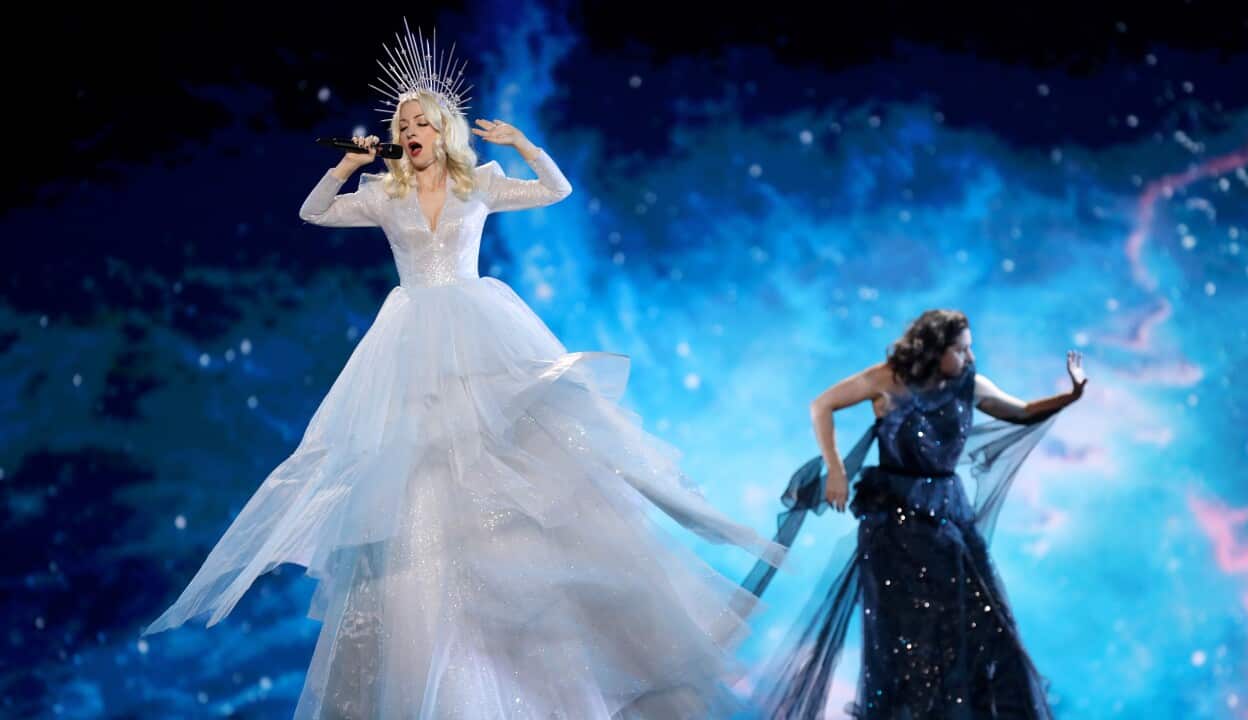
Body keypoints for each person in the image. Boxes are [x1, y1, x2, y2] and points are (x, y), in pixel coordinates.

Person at [142, 20, 783, 720]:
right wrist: (347, 166)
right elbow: (313, 212)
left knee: (517, 464)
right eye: (403, 121)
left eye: (422, 120)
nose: (411, 128)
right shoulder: (385, 195)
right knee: (418, 480)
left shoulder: (481, 181)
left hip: (481, 332)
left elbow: (558, 191)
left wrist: (522, 145)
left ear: (443, 128)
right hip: (411, 340)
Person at [743, 309, 1084, 719]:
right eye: (960, 350)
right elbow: (822, 405)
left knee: (980, 627)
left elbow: (1023, 410)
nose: (970, 358)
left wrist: (1071, 395)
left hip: (948, 517)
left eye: (969, 348)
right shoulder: (887, 380)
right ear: (933, 348)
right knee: (906, 640)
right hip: (894, 524)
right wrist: (835, 468)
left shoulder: (969, 384)